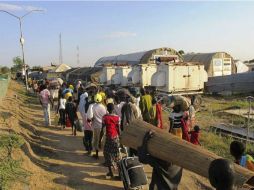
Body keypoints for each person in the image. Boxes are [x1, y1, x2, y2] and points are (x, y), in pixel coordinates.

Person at [99, 103, 121, 179]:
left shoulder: (105, 117)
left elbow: (102, 129)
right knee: (117, 155)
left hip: (109, 138)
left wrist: (99, 140)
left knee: (107, 154)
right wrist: (120, 138)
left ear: (107, 109)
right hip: (116, 138)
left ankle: (111, 172)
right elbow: (118, 129)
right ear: (113, 109)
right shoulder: (117, 118)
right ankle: (120, 174)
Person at [87, 93, 107, 159]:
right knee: (102, 140)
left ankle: (97, 154)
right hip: (103, 126)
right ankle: (104, 155)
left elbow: (90, 117)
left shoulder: (92, 107)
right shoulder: (104, 107)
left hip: (96, 126)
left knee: (96, 140)